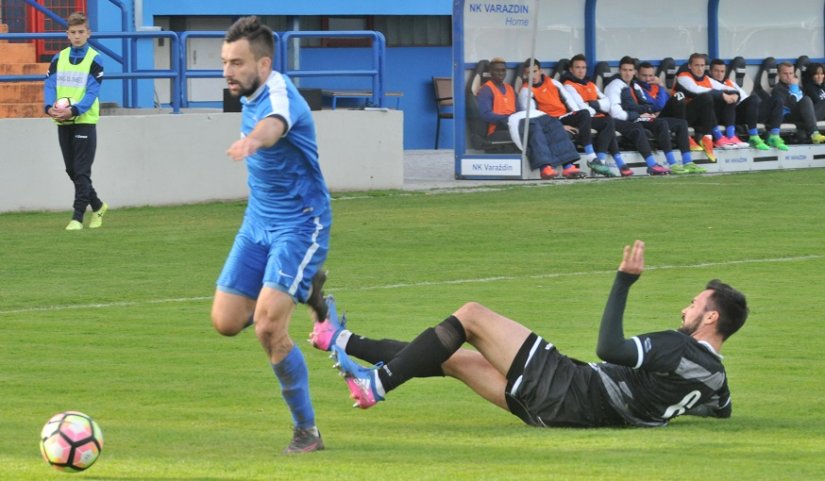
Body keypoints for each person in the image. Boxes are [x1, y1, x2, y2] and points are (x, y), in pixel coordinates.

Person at [311, 240, 748, 429]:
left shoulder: (677, 347)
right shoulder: (714, 381)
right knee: (452, 358)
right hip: (559, 415)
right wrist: (664, 407)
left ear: (710, 319)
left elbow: (608, 349)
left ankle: (377, 384)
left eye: (694, 304)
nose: (685, 309)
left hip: (570, 387)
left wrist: (624, 281)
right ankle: (340, 340)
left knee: (472, 316)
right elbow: (721, 412)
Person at [212, 16, 332, 454]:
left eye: (237, 62)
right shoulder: (248, 90)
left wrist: (254, 141)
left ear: (263, 64)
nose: (227, 70)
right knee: (226, 323)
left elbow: (275, 123)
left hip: (301, 224)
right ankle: (307, 292)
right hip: (257, 224)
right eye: (225, 61)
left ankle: (307, 432)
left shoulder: (279, 93)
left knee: (266, 326)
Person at [43, 11, 107, 231]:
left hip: (84, 120)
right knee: (71, 170)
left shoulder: (95, 59)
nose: (77, 36)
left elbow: (92, 92)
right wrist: (49, 107)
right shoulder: (58, 58)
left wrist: (75, 110)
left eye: (81, 32)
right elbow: (50, 85)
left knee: (81, 171)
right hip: (62, 121)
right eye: (73, 32)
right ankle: (98, 206)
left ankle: (77, 217)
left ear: (88, 34)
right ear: (67, 34)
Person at [477, 58, 582, 179]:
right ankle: (545, 167)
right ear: (490, 72)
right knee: (533, 128)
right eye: (496, 70)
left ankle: (568, 166)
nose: (500, 73)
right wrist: (507, 118)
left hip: (514, 124)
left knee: (553, 124)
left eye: (503, 70)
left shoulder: (510, 88)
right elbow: (485, 114)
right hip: (497, 129)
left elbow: (518, 112)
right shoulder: (486, 89)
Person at [517, 58, 615, 177]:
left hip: (564, 117)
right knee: (582, 117)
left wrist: (577, 118)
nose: (532, 76)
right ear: (525, 75)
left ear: (540, 71)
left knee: (597, 118)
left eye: (535, 71)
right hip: (548, 122)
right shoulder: (526, 91)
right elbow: (534, 117)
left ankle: (597, 159)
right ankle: (590, 159)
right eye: (528, 73)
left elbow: (570, 102)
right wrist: (560, 125)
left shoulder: (553, 83)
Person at [605, 57, 704, 174]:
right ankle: (672, 164)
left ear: (634, 72)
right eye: (625, 70)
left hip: (641, 117)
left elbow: (648, 104)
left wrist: (648, 111)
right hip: (629, 120)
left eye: (630, 70)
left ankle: (688, 162)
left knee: (681, 123)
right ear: (619, 71)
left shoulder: (635, 86)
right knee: (661, 123)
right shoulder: (615, 85)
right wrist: (639, 115)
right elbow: (615, 113)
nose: (627, 73)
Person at [560, 54, 645, 177]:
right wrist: (597, 106)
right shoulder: (568, 85)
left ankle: (601, 162)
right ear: (571, 70)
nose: (581, 70)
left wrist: (592, 104)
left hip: (592, 116)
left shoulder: (590, 84)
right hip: (577, 117)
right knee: (601, 119)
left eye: (583, 67)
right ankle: (610, 161)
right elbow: (580, 107)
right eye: (577, 67)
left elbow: (607, 104)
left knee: (608, 121)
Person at [672, 53, 745, 155]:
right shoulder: (683, 77)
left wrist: (735, 94)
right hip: (685, 117)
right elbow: (695, 90)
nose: (700, 68)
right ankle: (718, 136)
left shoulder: (707, 79)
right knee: (706, 97)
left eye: (702, 65)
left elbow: (724, 87)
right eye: (696, 65)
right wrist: (722, 95)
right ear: (690, 66)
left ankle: (730, 135)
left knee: (729, 98)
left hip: (703, 117)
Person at [707, 59, 782, 151]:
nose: (719, 74)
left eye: (722, 71)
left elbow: (744, 98)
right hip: (728, 116)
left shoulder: (730, 83)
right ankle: (753, 136)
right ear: (710, 72)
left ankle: (774, 136)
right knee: (752, 99)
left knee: (777, 100)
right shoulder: (708, 82)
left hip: (744, 113)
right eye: (716, 71)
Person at [772, 61, 825, 144]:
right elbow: (792, 105)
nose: (789, 77)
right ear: (778, 74)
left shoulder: (798, 87)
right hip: (790, 117)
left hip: (805, 116)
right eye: (785, 74)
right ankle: (814, 133)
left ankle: (811, 128)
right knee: (806, 99)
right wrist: (793, 87)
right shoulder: (777, 89)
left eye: (791, 73)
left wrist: (795, 87)